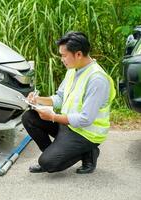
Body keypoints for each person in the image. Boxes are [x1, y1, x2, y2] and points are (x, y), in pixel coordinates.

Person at [22, 31, 116, 174]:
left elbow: (85, 119)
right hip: (68, 125)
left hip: (86, 133)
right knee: (29, 117)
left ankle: (88, 151)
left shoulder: (97, 80)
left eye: (64, 55)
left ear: (78, 54)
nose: (62, 59)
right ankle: (51, 156)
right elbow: (60, 98)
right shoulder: (73, 70)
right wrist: (38, 100)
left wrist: (52, 117)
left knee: (49, 163)